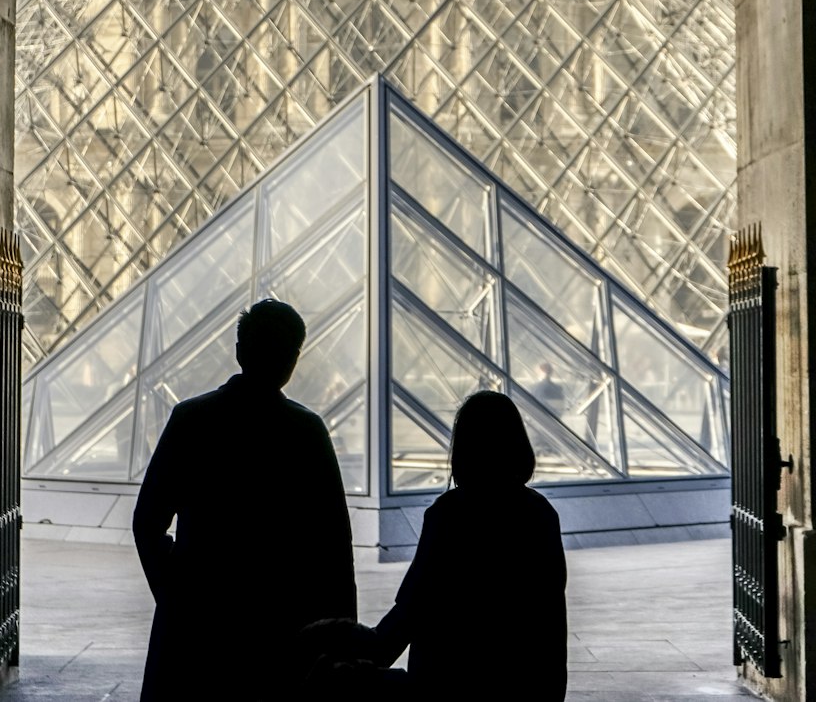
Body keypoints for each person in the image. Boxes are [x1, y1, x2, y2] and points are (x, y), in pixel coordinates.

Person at [133, 299, 357, 701]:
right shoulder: (306, 432)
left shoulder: (191, 419)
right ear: (293, 359)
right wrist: (340, 632)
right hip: (282, 625)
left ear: (239, 351)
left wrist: (176, 593)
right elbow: (335, 547)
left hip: (197, 625)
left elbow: (147, 522)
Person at [374, 391, 567, 698]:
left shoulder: (448, 513)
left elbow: (412, 608)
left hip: (450, 682)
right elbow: (549, 620)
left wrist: (363, 660)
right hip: (520, 682)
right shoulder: (541, 514)